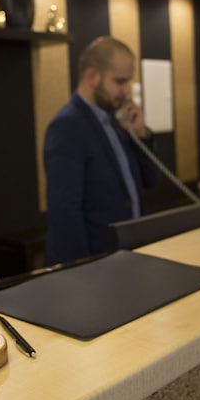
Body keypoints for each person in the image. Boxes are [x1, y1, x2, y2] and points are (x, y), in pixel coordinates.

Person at [43, 36, 159, 266]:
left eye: (128, 82)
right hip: (96, 262)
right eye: (120, 82)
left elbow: (151, 180)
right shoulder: (67, 126)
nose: (126, 92)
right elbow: (65, 211)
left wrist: (140, 134)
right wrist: (83, 270)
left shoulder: (115, 121)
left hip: (127, 256)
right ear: (92, 77)